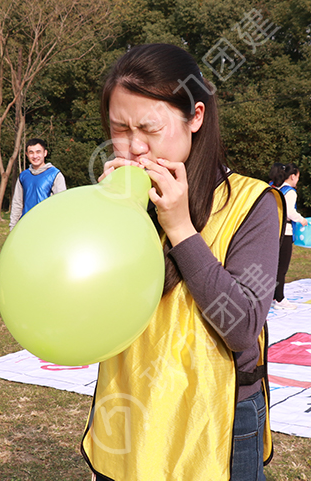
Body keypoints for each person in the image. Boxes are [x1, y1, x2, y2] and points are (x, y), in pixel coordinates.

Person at [80, 44, 283, 481]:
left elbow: (242, 326)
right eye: (119, 128)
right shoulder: (123, 203)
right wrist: (109, 222)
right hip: (130, 399)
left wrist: (181, 230)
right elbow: (93, 312)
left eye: (149, 128)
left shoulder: (253, 204)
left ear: (196, 117)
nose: (134, 147)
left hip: (217, 414)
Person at [270, 163, 307, 311]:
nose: (297, 180)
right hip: (284, 232)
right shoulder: (290, 192)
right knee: (282, 267)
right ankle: (279, 298)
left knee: (273, 266)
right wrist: (301, 219)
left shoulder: (275, 188)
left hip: (273, 231)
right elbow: (289, 211)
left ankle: (273, 296)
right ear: (293, 176)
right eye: (298, 177)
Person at [8, 138, 66, 230]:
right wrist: (13, 227)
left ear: (45, 153)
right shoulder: (23, 176)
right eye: (31, 152)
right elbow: (17, 204)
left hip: (47, 227)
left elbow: (61, 205)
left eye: (38, 152)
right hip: (26, 226)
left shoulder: (55, 175)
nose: (35, 156)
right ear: (27, 154)